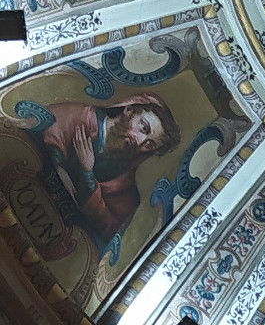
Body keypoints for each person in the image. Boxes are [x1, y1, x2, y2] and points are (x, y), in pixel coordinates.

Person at [40, 93, 181, 243]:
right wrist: (57, 165)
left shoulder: (125, 187)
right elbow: (46, 128)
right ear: (129, 110)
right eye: (144, 127)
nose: (139, 141)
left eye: (149, 144)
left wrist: (87, 173)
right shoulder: (79, 115)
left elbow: (109, 229)